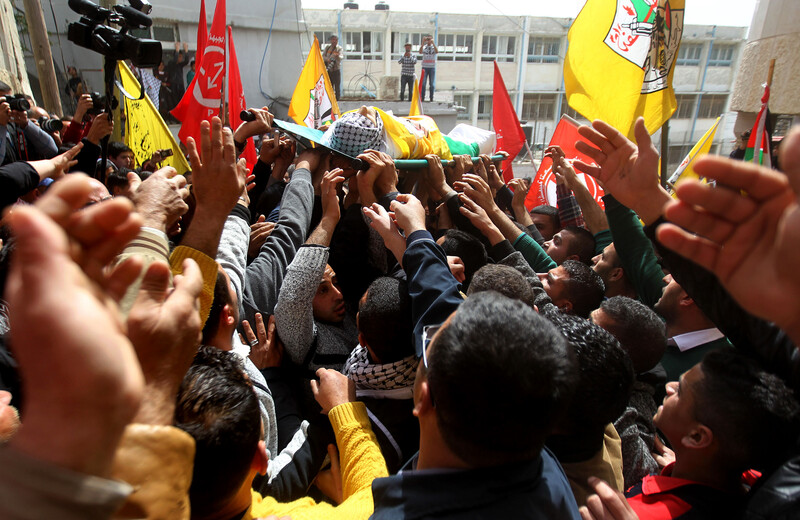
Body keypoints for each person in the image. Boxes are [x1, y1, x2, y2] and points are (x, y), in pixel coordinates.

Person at [323, 35, 343, 100]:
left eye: (336, 40)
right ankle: (330, 99)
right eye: (333, 40)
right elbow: (323, 56)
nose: (334, 41)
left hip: (336, 70)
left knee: (337, 86)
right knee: (329, 86)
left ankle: (337, 99)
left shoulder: (339, 48)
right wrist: (328, 60)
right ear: (331, 40)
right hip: (329, 70)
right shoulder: (327, 48)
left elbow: (341, 57)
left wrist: (337, 56)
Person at [419, 35, 437, 102]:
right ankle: (422, 97)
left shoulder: (433, 47)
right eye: (428, 39)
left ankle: (431, 97)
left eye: (430, 39)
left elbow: (437, 52)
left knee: (431, 84)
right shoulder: (424, 47)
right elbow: (420, 52)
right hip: (425, 67)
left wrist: (433, 43)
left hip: (432, 67)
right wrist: (423, 42)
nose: (428, 41)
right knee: (423, 83)